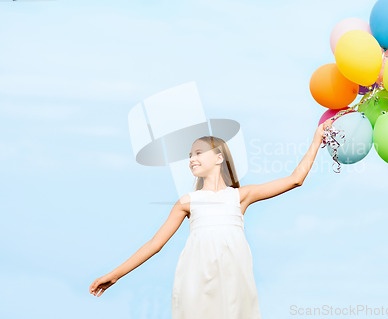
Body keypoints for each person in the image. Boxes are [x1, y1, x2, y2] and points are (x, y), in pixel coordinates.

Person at [89, 118, 334, 318]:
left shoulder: (240, 196)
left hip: (233, 285)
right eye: (189, 155)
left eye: (198, 152)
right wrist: (116, 274)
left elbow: (295, 179)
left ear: (219, 158)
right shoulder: (187, 202)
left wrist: (316, 140)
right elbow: (155, 244)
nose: (192, 158)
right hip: (195, 284)